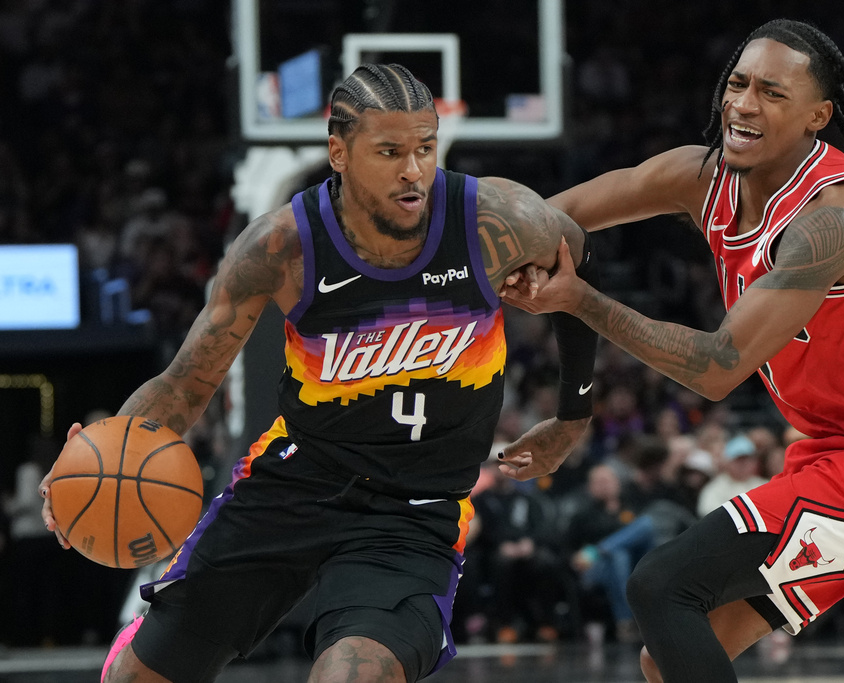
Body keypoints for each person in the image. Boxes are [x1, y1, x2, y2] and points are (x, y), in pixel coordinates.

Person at [38, 63, 599, 683]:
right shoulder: (281, 248)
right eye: (389, 152)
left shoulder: (494, 220)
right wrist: (99, 456)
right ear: (338, 152)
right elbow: (184, 385)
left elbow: (573, 250)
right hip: (293, 484)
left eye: (425, 148)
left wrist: (572, 415)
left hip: (412, 509)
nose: (413, 170)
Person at [499, 19, 844, 682]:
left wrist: (577, 299)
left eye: (772, 93)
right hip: (841, 454)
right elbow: (549, 221)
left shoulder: (834, 219)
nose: (744, 102)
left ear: (818, 116)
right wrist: (447, 249)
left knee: (661, 586)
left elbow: (718, 368)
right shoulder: (701, 177)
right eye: (739, 83)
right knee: (669, 658)